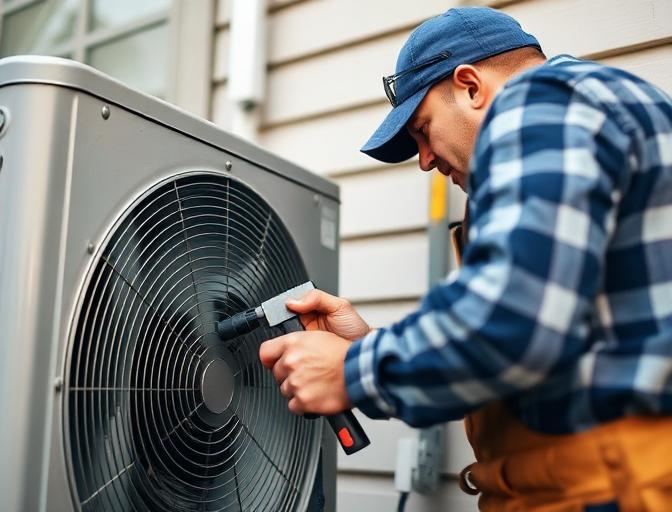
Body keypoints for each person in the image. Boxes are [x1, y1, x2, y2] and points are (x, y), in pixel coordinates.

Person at [259, 6, 672, 510]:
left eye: (422, 129)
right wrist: (373, 346)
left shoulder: (543, 101)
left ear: (471, 86)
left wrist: (352, 370)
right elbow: (544, 351)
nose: (426, 160)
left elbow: (518, 322)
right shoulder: (587, 114)